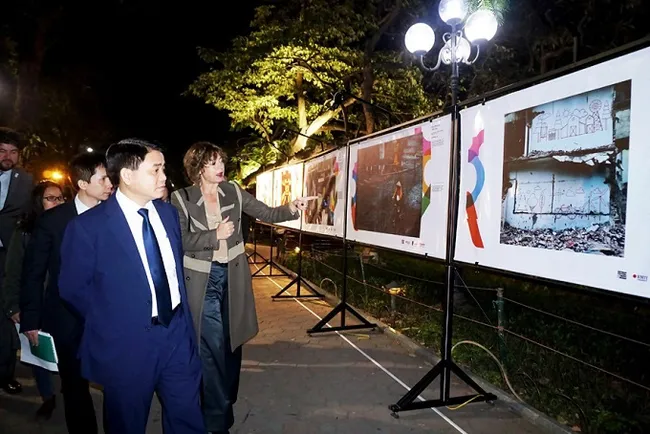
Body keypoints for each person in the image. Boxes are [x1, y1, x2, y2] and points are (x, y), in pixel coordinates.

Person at [58, 138, 204, 434]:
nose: (164, 177)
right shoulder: (88, 227)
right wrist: (114, 322)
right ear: (127, 175)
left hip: (177, 335)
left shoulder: (167, 214)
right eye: (156, 170)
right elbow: (72, 289)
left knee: (188, 418)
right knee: (127, 423)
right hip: (126, 345)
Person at [171, 141, 312, 434]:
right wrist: (215, 235)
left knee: (232, 341)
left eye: (221, 160)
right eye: (212, 162)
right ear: (198, 168)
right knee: (210, 347)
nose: (220, 167)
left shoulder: (233, 190)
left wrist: (291, 208)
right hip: (203, 281)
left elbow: (267, 213)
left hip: (233, 277)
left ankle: (226, 396)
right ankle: (217, 420)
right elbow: (180, 240)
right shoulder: (181, 199)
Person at [20, 152, 112, 434]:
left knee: (115, 382)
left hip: (108, 316)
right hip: (65, 317)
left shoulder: (116, 217)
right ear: (84, 184)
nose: (111, 183)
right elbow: (34, 273)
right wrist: (31, 320)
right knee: (74, 386)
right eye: (104, 178)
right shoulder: (53, 221)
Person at [1, 181, 64, 419]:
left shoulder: (67, 226)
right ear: (38, 202)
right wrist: (13, 306)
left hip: (59, 303)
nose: (56, 203)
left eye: (60, 199)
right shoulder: (25, 231)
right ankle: (48, 396)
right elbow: (13, 270)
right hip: (34, 302)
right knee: (38, 352)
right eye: (51, 198)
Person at [0, 127, 33, 395]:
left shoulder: (26, 181)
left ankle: (5, 373)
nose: (7, 156)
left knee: (6, 317)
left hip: (8, 258)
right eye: (2, 150)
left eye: (13, 152)